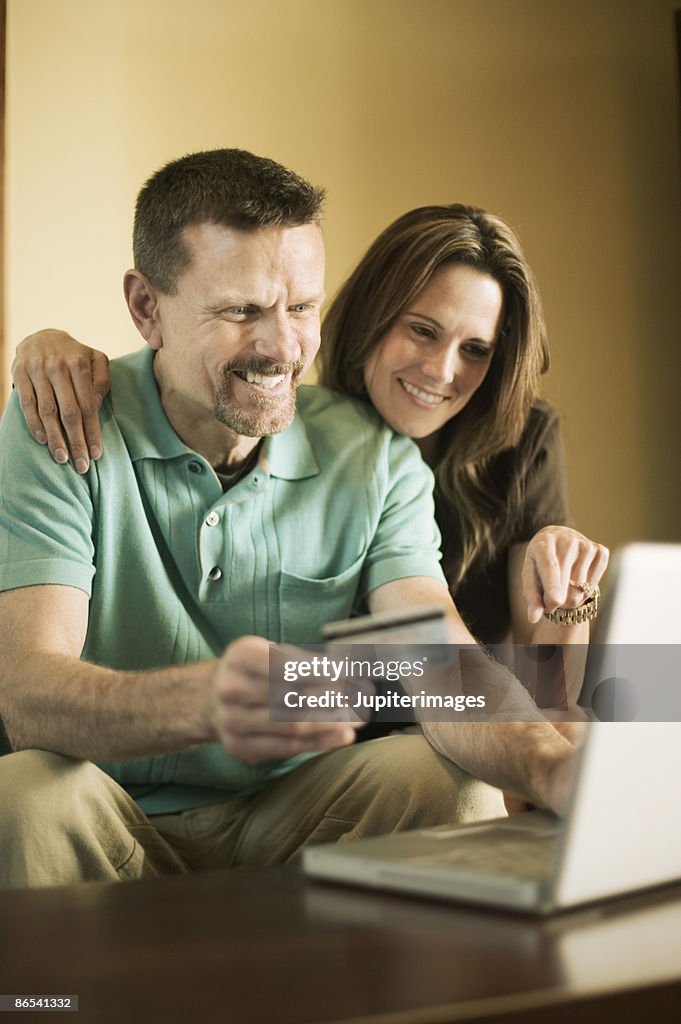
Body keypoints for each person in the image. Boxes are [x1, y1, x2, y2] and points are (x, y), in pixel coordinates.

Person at [0, 148, 576, 891]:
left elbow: (437, 655)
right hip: (112, 810)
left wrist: (549, 760)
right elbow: (26, 694)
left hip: (295, 811)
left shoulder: (375, 452)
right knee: (23, 797)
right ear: (148, 308)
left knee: (446, 779)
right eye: (240, 310)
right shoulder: (62, 417)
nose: (280, 348)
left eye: (300, 307)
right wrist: (200, 701)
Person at [13, 205, 608, 649]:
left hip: (460, 715)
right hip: (331, 732)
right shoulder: (287, 405)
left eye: (477, 348)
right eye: (423, 331)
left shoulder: (519, 442)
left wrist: (568, 602)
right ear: (374, 314)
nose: (442, 371)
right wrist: (44, 344)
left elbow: (552, 692)